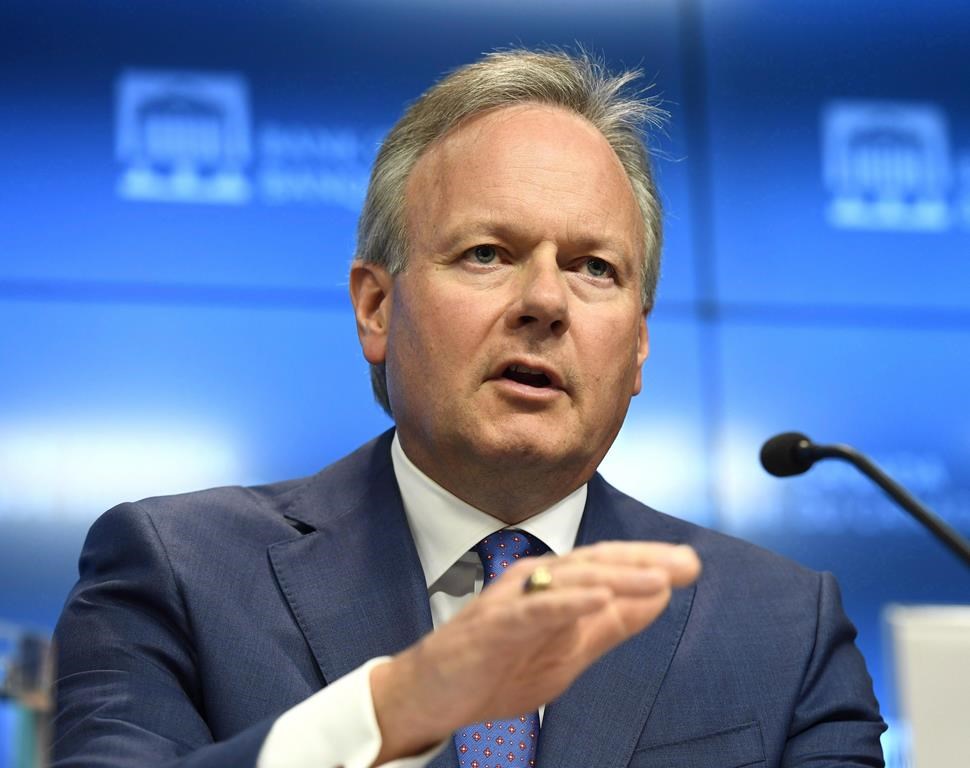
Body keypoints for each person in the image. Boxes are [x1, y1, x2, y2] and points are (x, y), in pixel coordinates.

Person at [52, 50, 886, 768]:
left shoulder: (782, 628)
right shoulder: (177, 574)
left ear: (637, 347)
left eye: (596, 267)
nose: (546, 302)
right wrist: (394, 710)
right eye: (489, 253)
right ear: (377, 308)